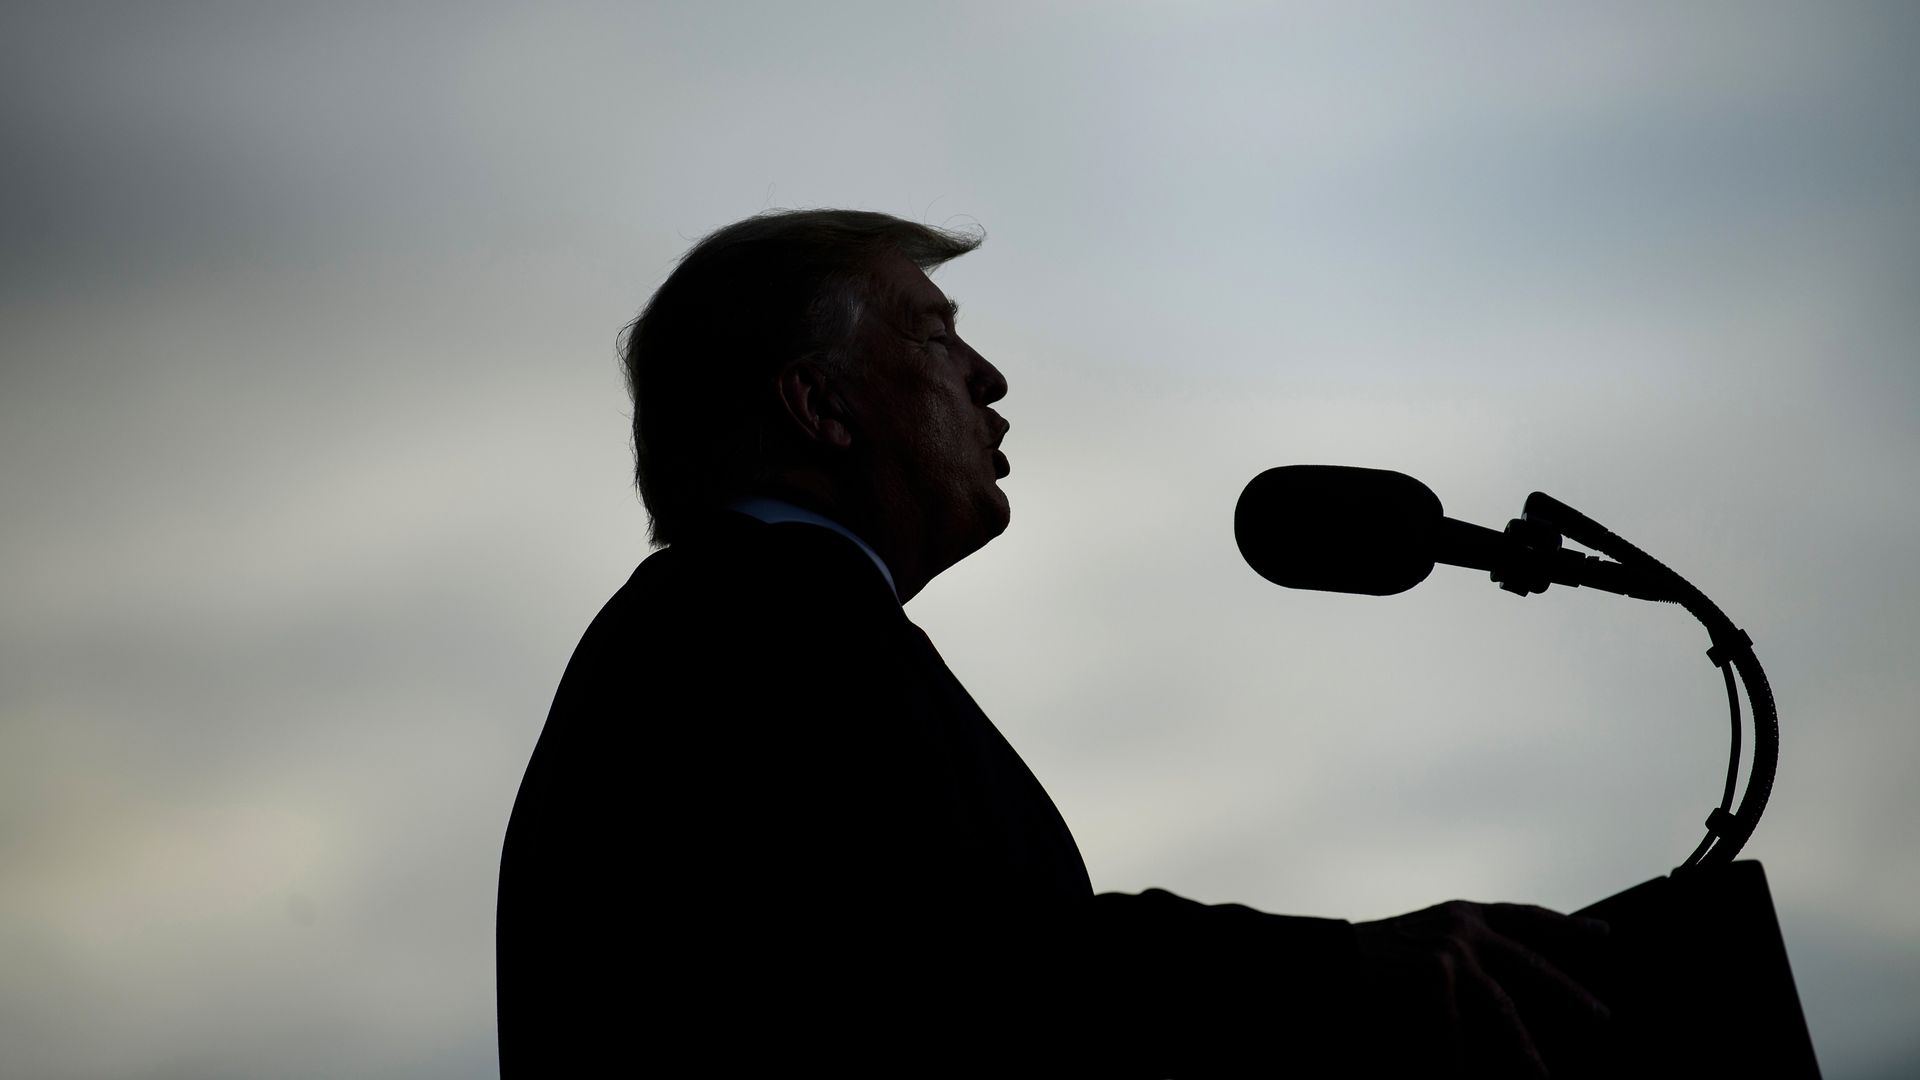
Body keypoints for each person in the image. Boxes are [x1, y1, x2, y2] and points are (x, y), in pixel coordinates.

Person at [495, 209, 1613, 1076]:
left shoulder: (745, 621)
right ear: (819, 407)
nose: (989, 379)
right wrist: (1348, 970)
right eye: (935, 336)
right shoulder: (752, 626)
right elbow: (966, 971)